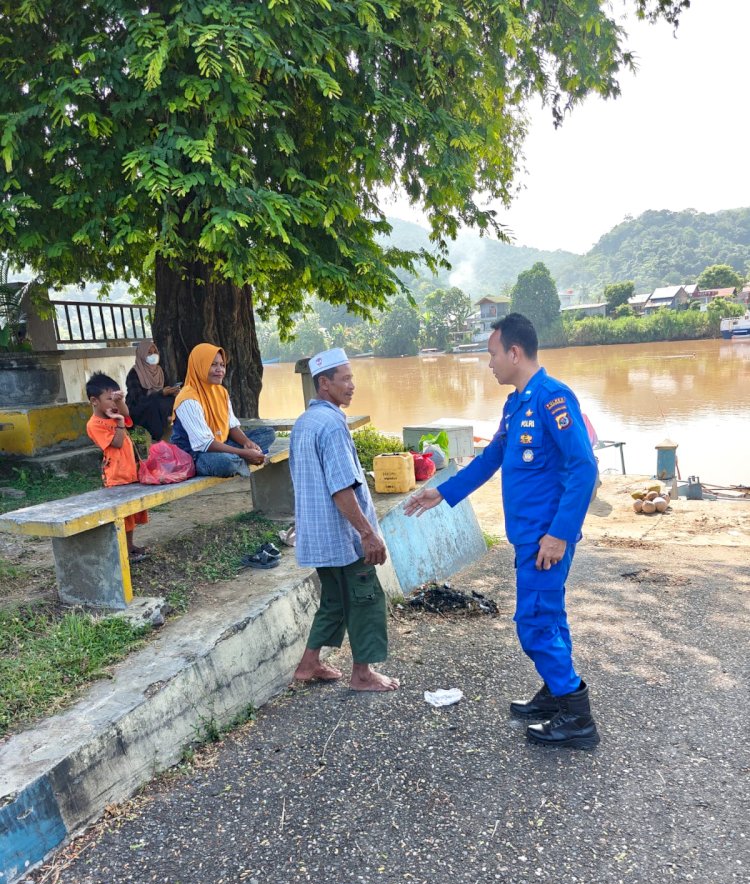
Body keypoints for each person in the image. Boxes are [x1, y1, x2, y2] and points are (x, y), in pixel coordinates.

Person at [404, 313, 600, 749]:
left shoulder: (553, 398)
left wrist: (560, 533)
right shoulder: (516, 404)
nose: (489, 363)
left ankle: (577, 716)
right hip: (528, 536)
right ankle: (555, 692)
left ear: (514, 352)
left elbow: (584, 467)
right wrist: (442, 492)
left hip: (545, 539)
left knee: (533, 622)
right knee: (550, 616)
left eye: (493, 354)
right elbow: (490, 459)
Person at [289, 347, 399, 693]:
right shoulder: (334, 426)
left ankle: (308, 664)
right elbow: (341, 489)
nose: (352, 385)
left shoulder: (304, 422)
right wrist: (367, 533)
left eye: (352, 378)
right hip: (343, 536)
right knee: (366, 598)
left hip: (316, 536)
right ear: (325, 384)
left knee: (334, 600)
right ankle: (363, 674)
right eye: (345, 379)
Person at [170, 343, 274, 476]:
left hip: (221, 444)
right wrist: (244, 453)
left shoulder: (221, 391)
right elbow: (205, 444)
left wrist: (247, 443)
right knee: (226, 463)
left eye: (222, 365)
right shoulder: (188, 399)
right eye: (213, 365)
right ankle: (241, 460)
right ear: (199, 366)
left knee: (267, 434)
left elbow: (232, 426)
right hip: (196, 455)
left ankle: (240, 458)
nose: (220, 369)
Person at [85, 372, 149, 562]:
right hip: (116, 476)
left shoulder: (114, 414)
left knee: (132, 514)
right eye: (109, 399)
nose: (114, 404)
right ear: (94, 401)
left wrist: (120, 404)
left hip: (130, 471)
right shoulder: (95, 424)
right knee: (122, 516)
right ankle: (123, 551)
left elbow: (127, 414)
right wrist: (119, 423)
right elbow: (117, 443)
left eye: (116, 399)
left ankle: (129, 546)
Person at [125, 340, 180, 442]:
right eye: (149, 353)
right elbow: (139, 399)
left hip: (157, 405)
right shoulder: (134, 373)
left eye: (154, 352)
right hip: (139, 409)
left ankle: (171, 422)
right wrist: (160, 393)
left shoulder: (159, 371)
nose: (153, 355)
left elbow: (163, 391)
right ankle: (158, 435)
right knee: (154, 404)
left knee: (175, 400)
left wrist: (172, 392)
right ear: (142, 354)